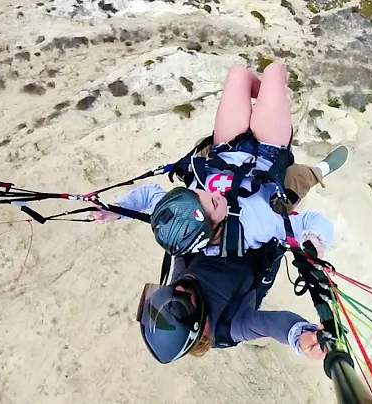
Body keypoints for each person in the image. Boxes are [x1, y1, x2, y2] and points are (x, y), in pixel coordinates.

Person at [96, 63, 348, 364]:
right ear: (200, 320)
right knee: (276, 80)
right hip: (269, 172)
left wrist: (117, 211)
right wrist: (303, 334)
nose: (179, 287)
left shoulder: (182, 258)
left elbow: (154, 200)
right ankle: (319, 170)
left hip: (225, 157)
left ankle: (269, 112)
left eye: (168, 292)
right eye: (182, 298)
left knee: (239, 75)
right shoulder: (231, 323)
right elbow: (271, 325)